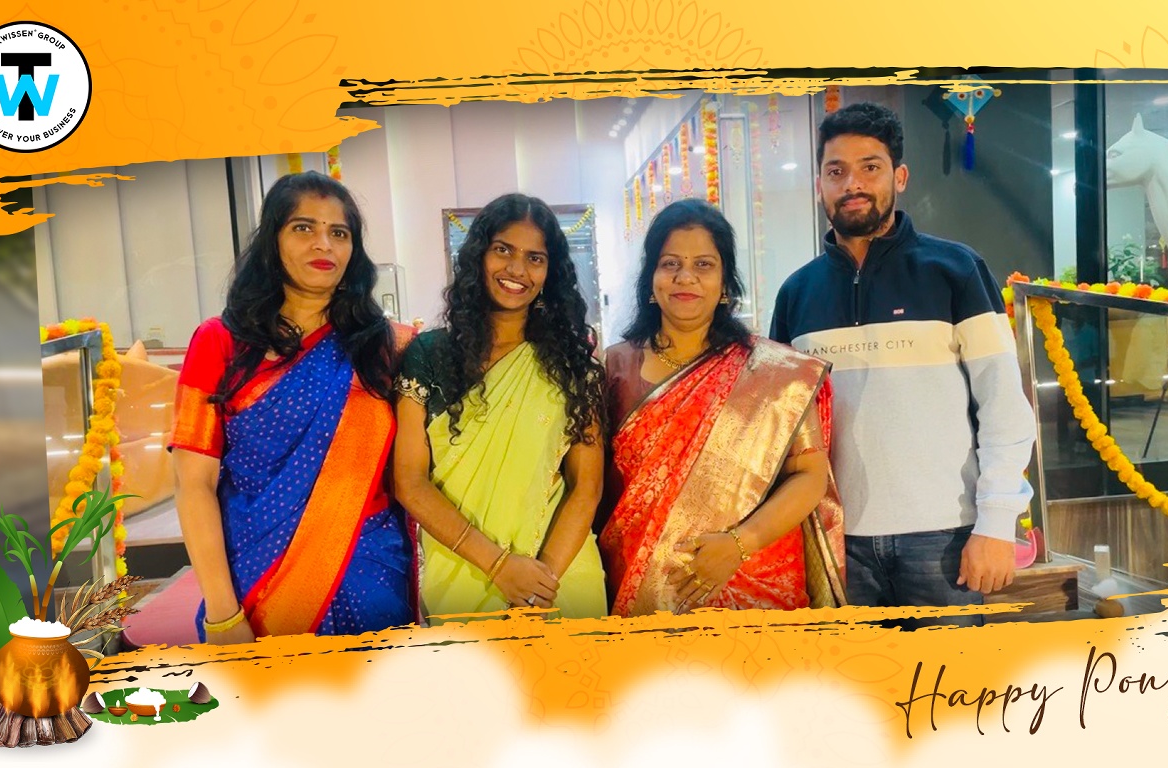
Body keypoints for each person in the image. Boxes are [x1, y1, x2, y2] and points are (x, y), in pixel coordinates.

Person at [769, 102, 1036, 628]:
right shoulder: (797, 293)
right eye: (836, 171)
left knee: (952, 680)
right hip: (837, 543)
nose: (852, 184)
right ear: (819, 186)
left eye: (870, 167)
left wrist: (997, 524)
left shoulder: (955, 270)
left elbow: (1004, 407)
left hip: (946, 540)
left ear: (900, 177)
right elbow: (782, 429)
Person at [171, 171, 417, 644]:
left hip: (368, 571)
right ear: (273, 240)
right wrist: (222, 613)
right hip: (253, 585)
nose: (323, 244)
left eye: (339, 233)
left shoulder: (387, 348)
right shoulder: (219, 342)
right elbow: (192, 483)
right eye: (304, 228)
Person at [598, 199, 846, 617]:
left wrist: (739, 544)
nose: (686, 277)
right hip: (644, 585)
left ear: (725, 282)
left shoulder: (774, 373)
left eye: (704, 264)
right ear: (651, 279)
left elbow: (809, 475)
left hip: (754, 581)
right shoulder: (615, 367)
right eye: (670, 263)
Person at [392, 193, 608, 620]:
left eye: (535, 258)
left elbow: (586, 486)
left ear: (549, 272)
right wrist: (499, 567)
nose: (517, 269)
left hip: (560, 580)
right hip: (463, 574)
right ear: (479, 255)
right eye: (503, 250)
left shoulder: (572, 364)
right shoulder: (429, 356)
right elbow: (410, 482)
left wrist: (540, 584)